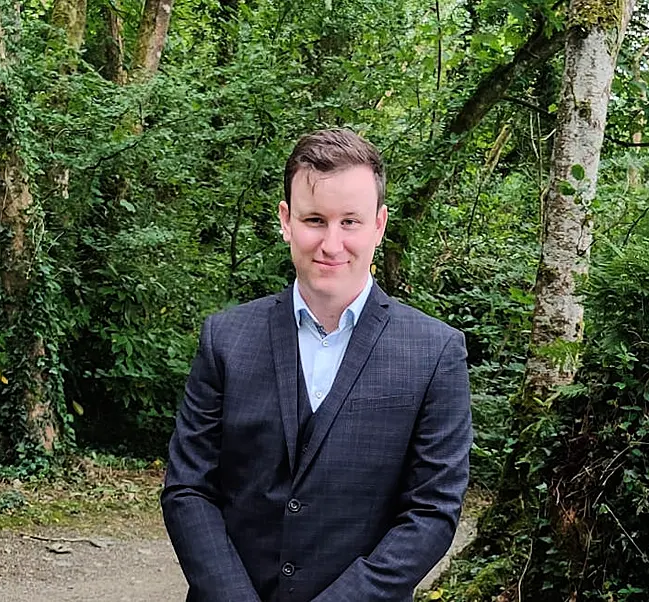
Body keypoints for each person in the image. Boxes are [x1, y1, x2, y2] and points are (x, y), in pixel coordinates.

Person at [161, 128, 472, 602]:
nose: (331, 243)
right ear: (286, 221)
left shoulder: (435, 352)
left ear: (379, 225)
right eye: (314, 220)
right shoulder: (225, 338)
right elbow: (188, 489)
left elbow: (432, 511)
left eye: (350, 221)